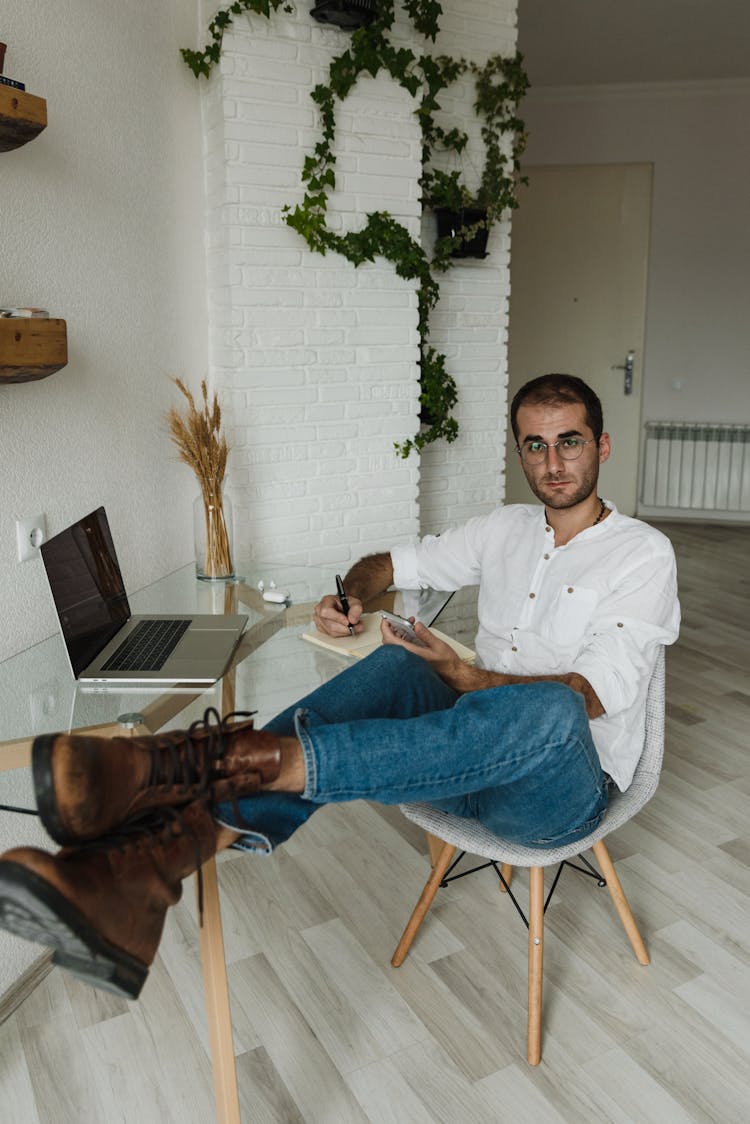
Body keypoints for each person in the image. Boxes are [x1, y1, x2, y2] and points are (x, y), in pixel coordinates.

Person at [0, 374, 680, 1000]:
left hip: (558, 789)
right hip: (455, 758)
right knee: (399, 664)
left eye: (570, 441)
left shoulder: (642, 552)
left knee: (552, 706)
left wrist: (463, 674)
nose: (553, 462)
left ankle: (199, 765)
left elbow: (592, 693)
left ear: (601, 446)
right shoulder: (503, 529)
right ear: (521, 451)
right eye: (536, 444)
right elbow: (388, 562)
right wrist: (349, 596)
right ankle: (142, 867)